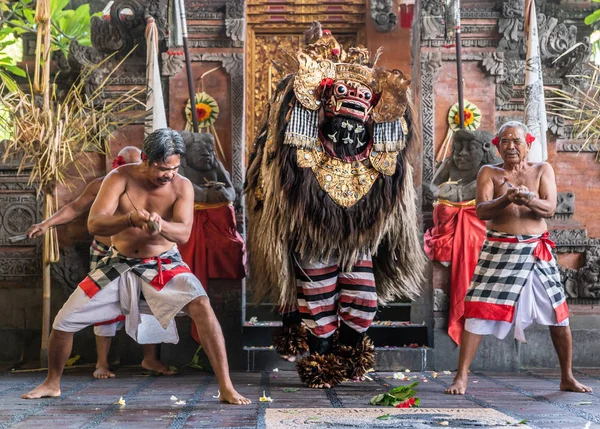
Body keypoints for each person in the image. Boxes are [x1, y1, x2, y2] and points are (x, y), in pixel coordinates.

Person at [245, 23, 425, 388]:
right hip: (310, 232)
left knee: (363, 298)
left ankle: (351, 354)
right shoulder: (300, 139)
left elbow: (394, 175)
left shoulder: (380, 149)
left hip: (357, 235)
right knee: (316, 296)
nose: (348, 126)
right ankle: (320, 360)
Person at [23, 128, 250, 405]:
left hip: (164, 263)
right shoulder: (118, 178)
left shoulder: (182, 186)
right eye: (163, 168)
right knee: (64, 321)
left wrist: (160, 224)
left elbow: (183, 234)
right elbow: (94, 222)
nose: (169, 174)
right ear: (146, 160)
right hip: (118, 263)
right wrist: (129, 219)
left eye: (175, 167)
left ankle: (226, 387)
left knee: (202, 305)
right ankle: (51, 383)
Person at [445, 121, 592, 395]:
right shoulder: (488, 172)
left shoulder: (541, 170)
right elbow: (482, 211)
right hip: (500, 249)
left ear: (528, 144)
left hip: (537, 249)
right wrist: (507, 198)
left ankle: (567, 377)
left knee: (559, 315)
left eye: (517, 141)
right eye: (505, 141)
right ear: (497, 146)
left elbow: (549, 208)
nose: (511, 146)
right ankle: (461, 377)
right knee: (477, 310)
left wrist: (527, 200)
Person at [26, 146, 174, 379]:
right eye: (129, 164)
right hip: (107, 253)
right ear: (118, 164)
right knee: (101, 306)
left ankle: (150, 358)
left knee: (151, 304)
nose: (136, 170)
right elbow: (74, 208)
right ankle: (102, 363)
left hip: (143, 256)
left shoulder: (154, 186)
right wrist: (46, 224)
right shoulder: (103, 184)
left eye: (139, 165)